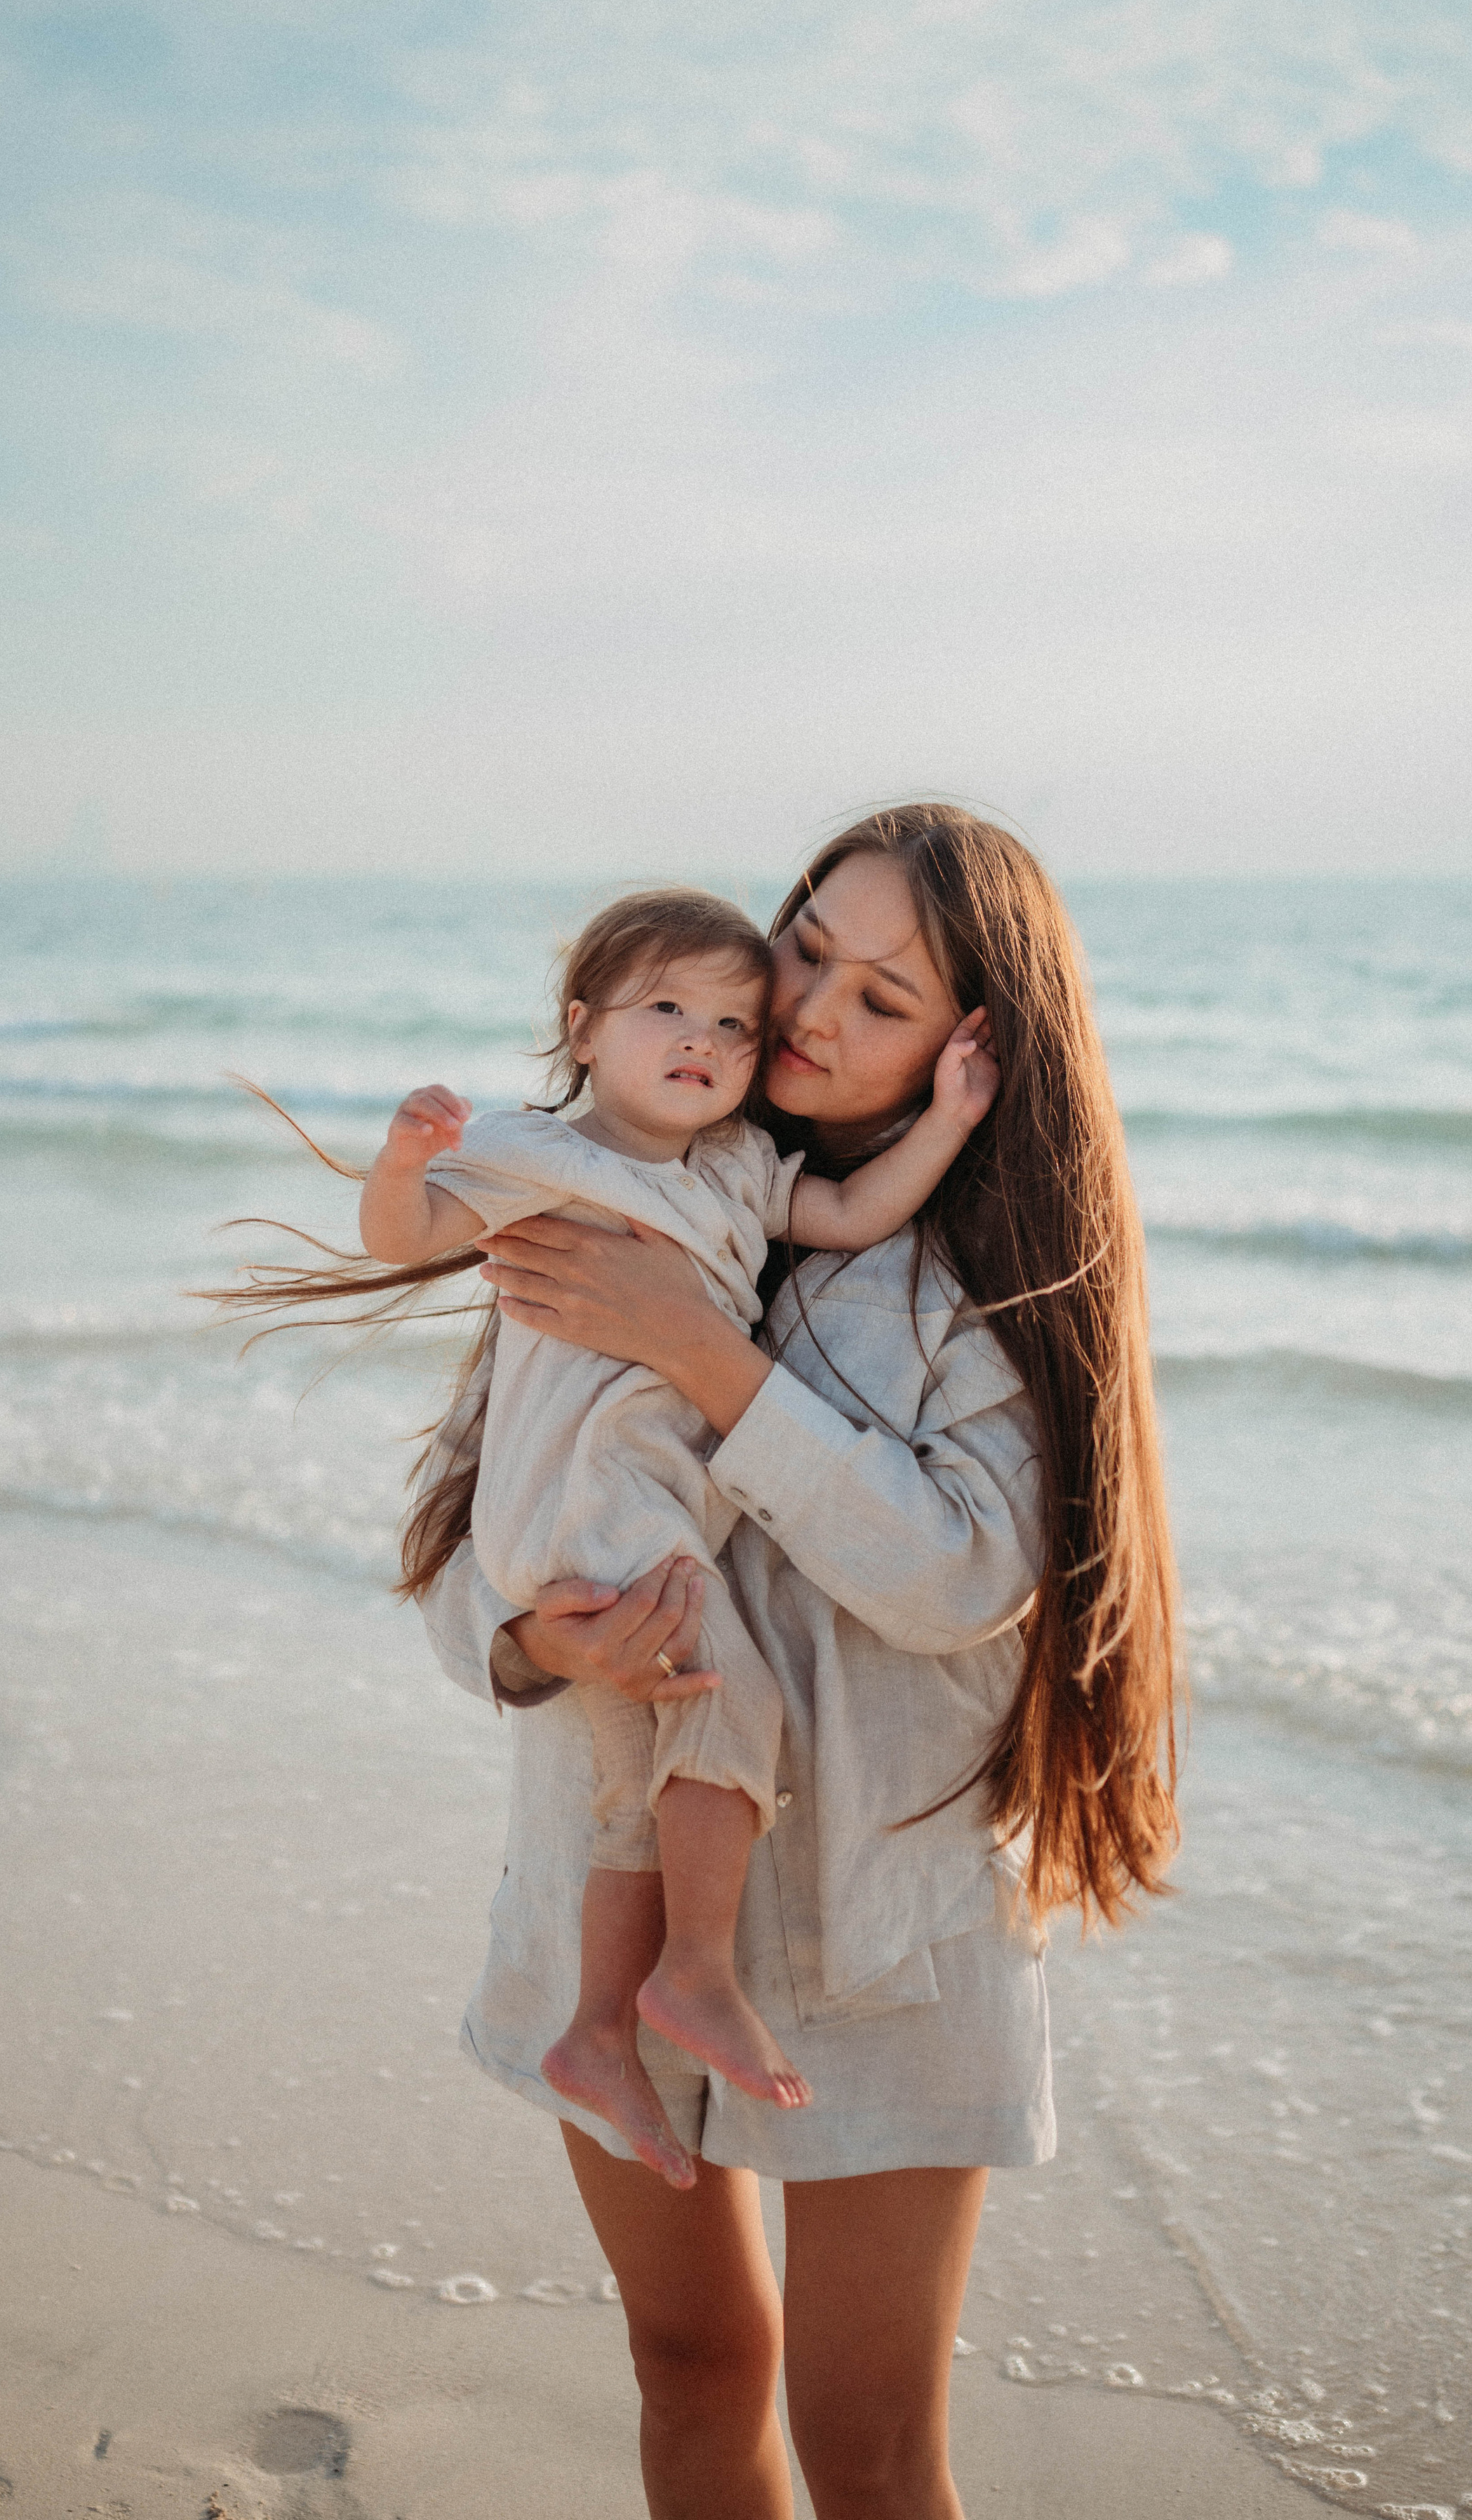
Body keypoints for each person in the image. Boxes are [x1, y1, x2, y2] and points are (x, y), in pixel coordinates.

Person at [415, 801, 1180, 2520]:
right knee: (690, 2368)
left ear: (973, 1045)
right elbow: (464, 1534)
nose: (809, 1008)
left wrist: (701, 1354)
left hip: (873, 1932)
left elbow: (959, 1576)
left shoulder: (968, 1280)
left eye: (880, 995)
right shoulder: (624, 1182)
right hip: (615, 1896)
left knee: (868, 2444)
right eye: (807, 945)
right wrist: (527, 1639)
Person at [354, 887, 998, 2185]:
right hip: (599, 1515)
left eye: (733, 1024)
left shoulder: (742, 1172)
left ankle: (602, 2027)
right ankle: (692, 1971)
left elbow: (853, 1215)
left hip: (640, 1529)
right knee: (727, 1704)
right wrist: (404, 1162)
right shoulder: (542, 1163)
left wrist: (949, 1118)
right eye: (667, 1009)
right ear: (583, 1029)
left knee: (633, 1796)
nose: (707, 1038)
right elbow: (404, 1242)